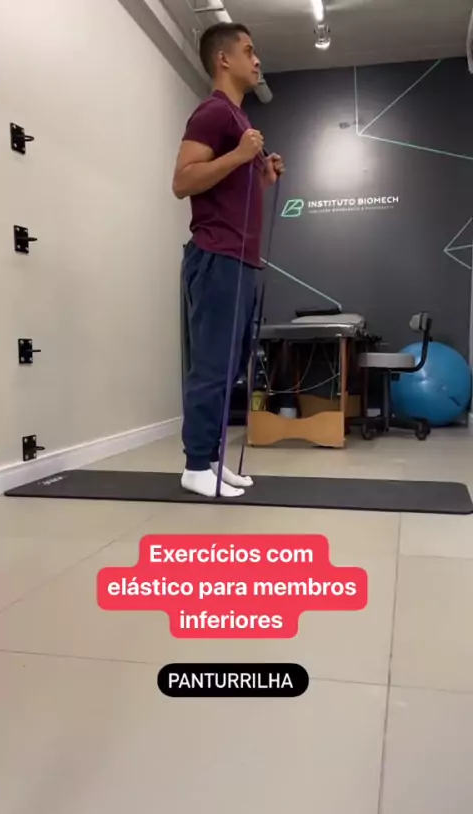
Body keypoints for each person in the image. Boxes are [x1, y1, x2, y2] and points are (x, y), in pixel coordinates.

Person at [172, 22, 284, 498]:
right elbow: (182, 181)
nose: (257, 60)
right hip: (216, 256)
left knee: (231, 366)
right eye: (248, 51)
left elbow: (228, 189)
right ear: (224, 59)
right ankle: (196, 465)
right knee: (212, 367)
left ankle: (214, 462)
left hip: (239, 261)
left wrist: (261, 177)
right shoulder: (214, 112)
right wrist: (240, 156)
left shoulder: (238, 121)